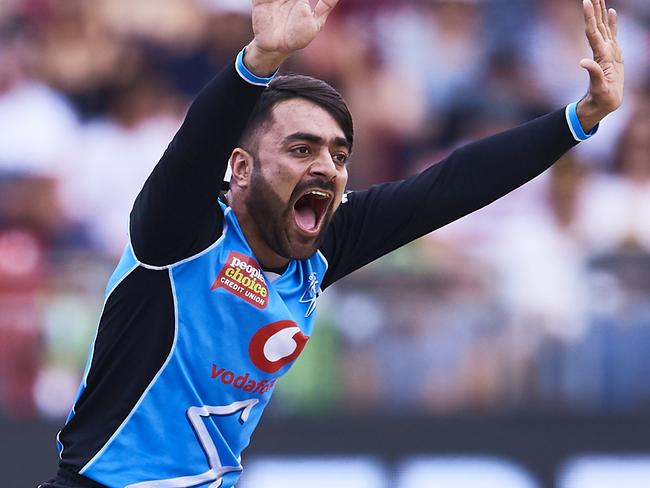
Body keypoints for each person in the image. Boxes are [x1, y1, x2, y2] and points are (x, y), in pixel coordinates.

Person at [40, 0, 623, 486]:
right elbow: (196, 146)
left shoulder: (321, 246)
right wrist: (259, 60)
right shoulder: (180, 234)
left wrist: (582, 116)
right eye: (301, 149)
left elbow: (450, 187)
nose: (327, 166)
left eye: (338, 154)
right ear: (240, 168)